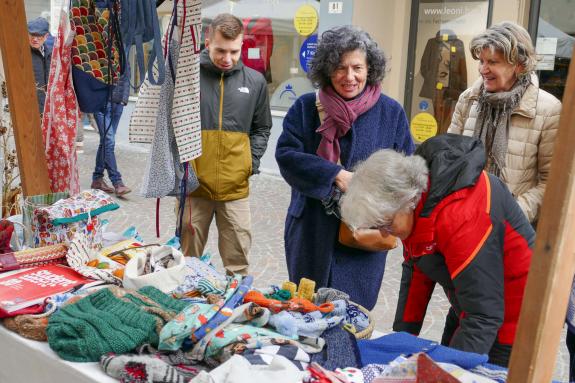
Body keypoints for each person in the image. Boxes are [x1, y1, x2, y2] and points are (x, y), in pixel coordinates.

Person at [340, 134, 535, 367]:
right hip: (470, 299)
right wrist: (402, 340)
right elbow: (417, 268)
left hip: (517, 311)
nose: (383, 234)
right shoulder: (413, 203)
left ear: (406, 200)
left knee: (470, 369)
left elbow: (483, 315)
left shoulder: (459, 216)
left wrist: (451, 372)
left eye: (386, 224)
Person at [275, 26, 415, 310]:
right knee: (308, 310)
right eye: (340, 68)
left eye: (357, 68)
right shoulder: (305, 107)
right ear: (327, 70)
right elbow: (287, 156)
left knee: (354, 313)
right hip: (311, 231)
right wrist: (335, 174)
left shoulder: (391, 112)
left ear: (370, 68)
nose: (349, 77)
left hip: (363, 237)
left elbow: (406, 171)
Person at [179, 14, 272, 275]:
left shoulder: (255, 82)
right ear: (207, 41)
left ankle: (234, 310)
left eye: (234, 51)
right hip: (194, 188)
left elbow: (262, 127)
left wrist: (249, 163)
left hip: (235, 189)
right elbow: (170, 123)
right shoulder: (188, 75)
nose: (227, 58)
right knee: (187, 263)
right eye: (220, 50)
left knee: (238, 264)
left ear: (242, 45)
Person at [448, 21, 561, 225]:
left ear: (519, 64)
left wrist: (511, 213)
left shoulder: (548, 110)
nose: (483, 69)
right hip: (464, 222)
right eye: (481, 61)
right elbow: (448, 160)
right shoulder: (468, 100)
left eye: (492, 62)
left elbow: (551, 183)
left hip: (512, 230)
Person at [90, 69, 131, 196]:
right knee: (109, 141)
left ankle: (97, 179)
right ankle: (117, 181)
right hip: (100, 103)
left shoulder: (124, 49)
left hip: (118, 102)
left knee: (105, 141)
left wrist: (124, 98)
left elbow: (127, 72)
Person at [27, 17, 52, 116]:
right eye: (32, 35)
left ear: (46, 36)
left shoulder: (51, 53)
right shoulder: (23, 53)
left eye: (39, 36)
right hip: (29, 108)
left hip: (47, 108)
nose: (35, 39)